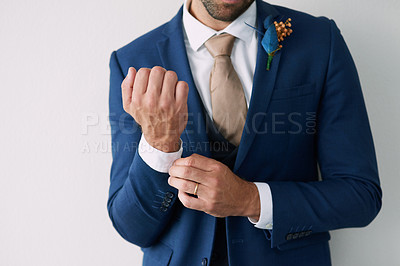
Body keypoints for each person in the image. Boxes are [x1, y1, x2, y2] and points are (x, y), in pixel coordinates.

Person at [107, 0, 382, 265]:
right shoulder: (132, 63)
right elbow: (132, 227)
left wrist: (250, 199)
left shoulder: (320, 41)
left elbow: (360, 195)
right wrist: (160, 144)